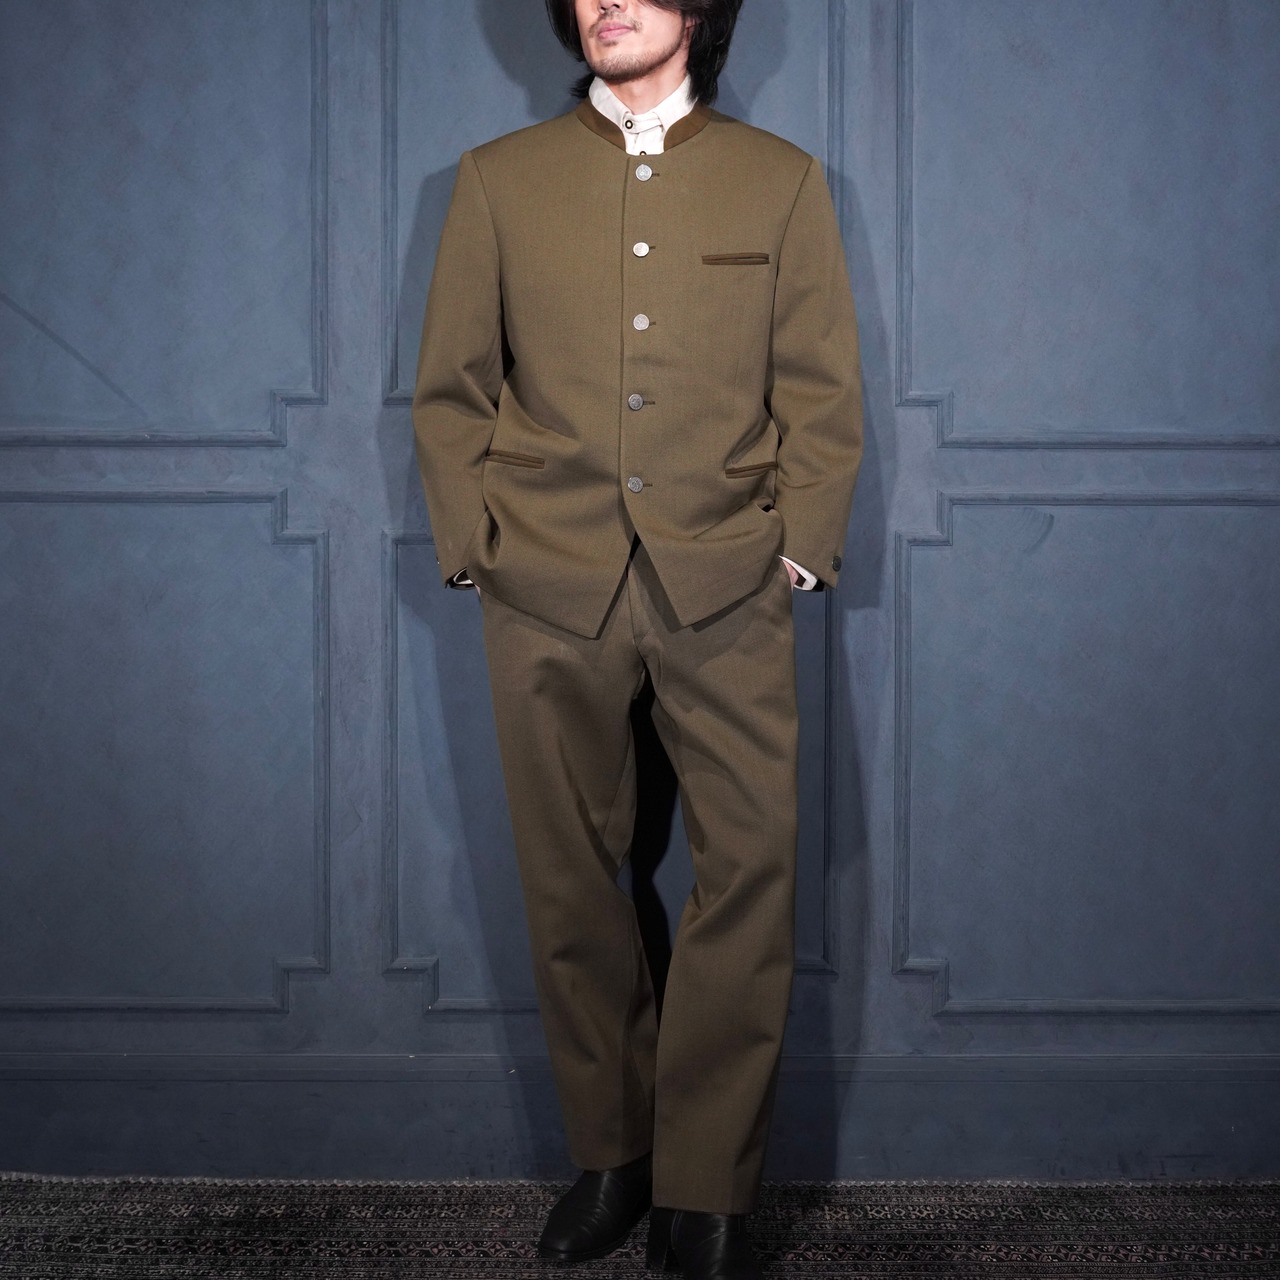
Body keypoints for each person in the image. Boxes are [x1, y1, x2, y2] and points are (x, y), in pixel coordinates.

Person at [412, 1, 862, 1274]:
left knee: (749, 873)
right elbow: (449, 389)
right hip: (543, 586)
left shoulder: (780, 182)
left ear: (700, 10)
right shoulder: (495, 182)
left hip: (725, 581)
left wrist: (794, 546)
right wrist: (478, 544)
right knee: (569, 880)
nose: (606, 1)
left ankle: (706, 1186)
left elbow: (821, 387)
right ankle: (610, 1155)